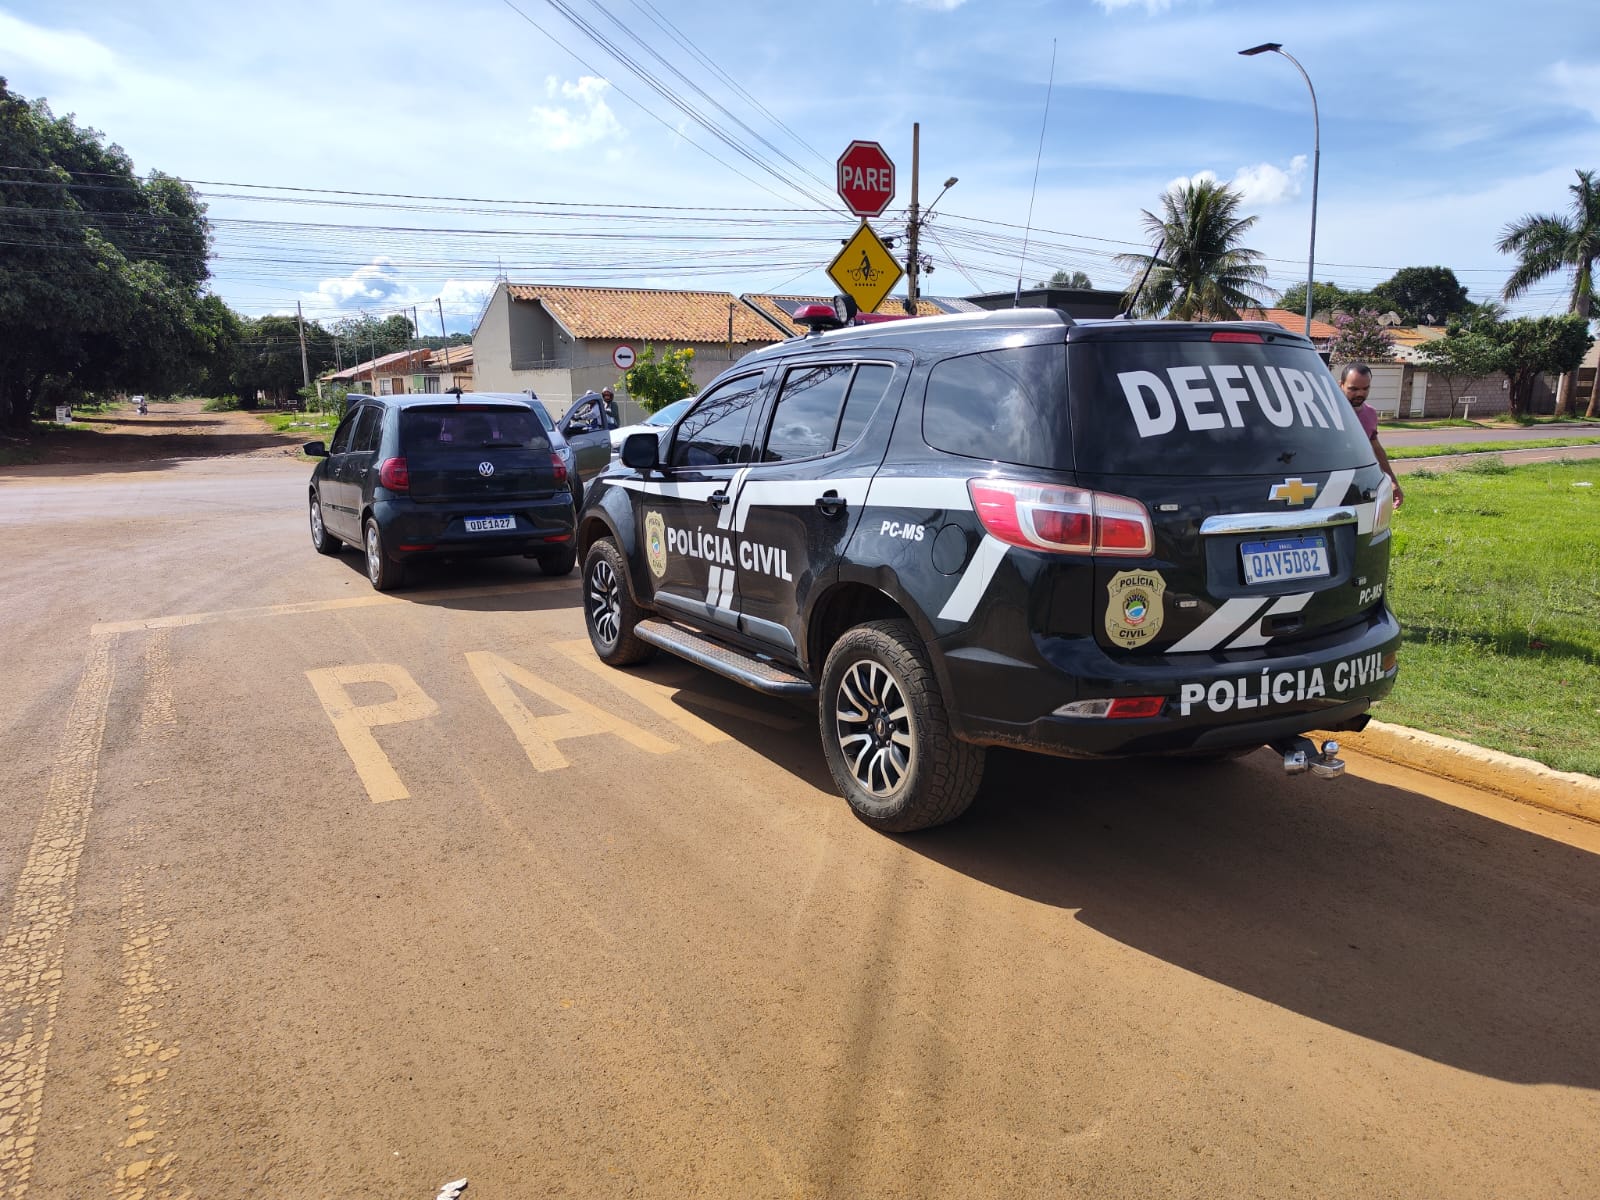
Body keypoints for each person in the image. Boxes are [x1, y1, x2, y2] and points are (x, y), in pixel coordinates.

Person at [1339, 363, 1403, 509]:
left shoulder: (1370, 413)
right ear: (1341, 385)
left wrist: (1392, 482)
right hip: (1329, 484)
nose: (1360, 394)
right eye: (1353, 389)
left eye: (1365, 388)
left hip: (1361, 485)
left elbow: (1375, 448)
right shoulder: (1327, 412)